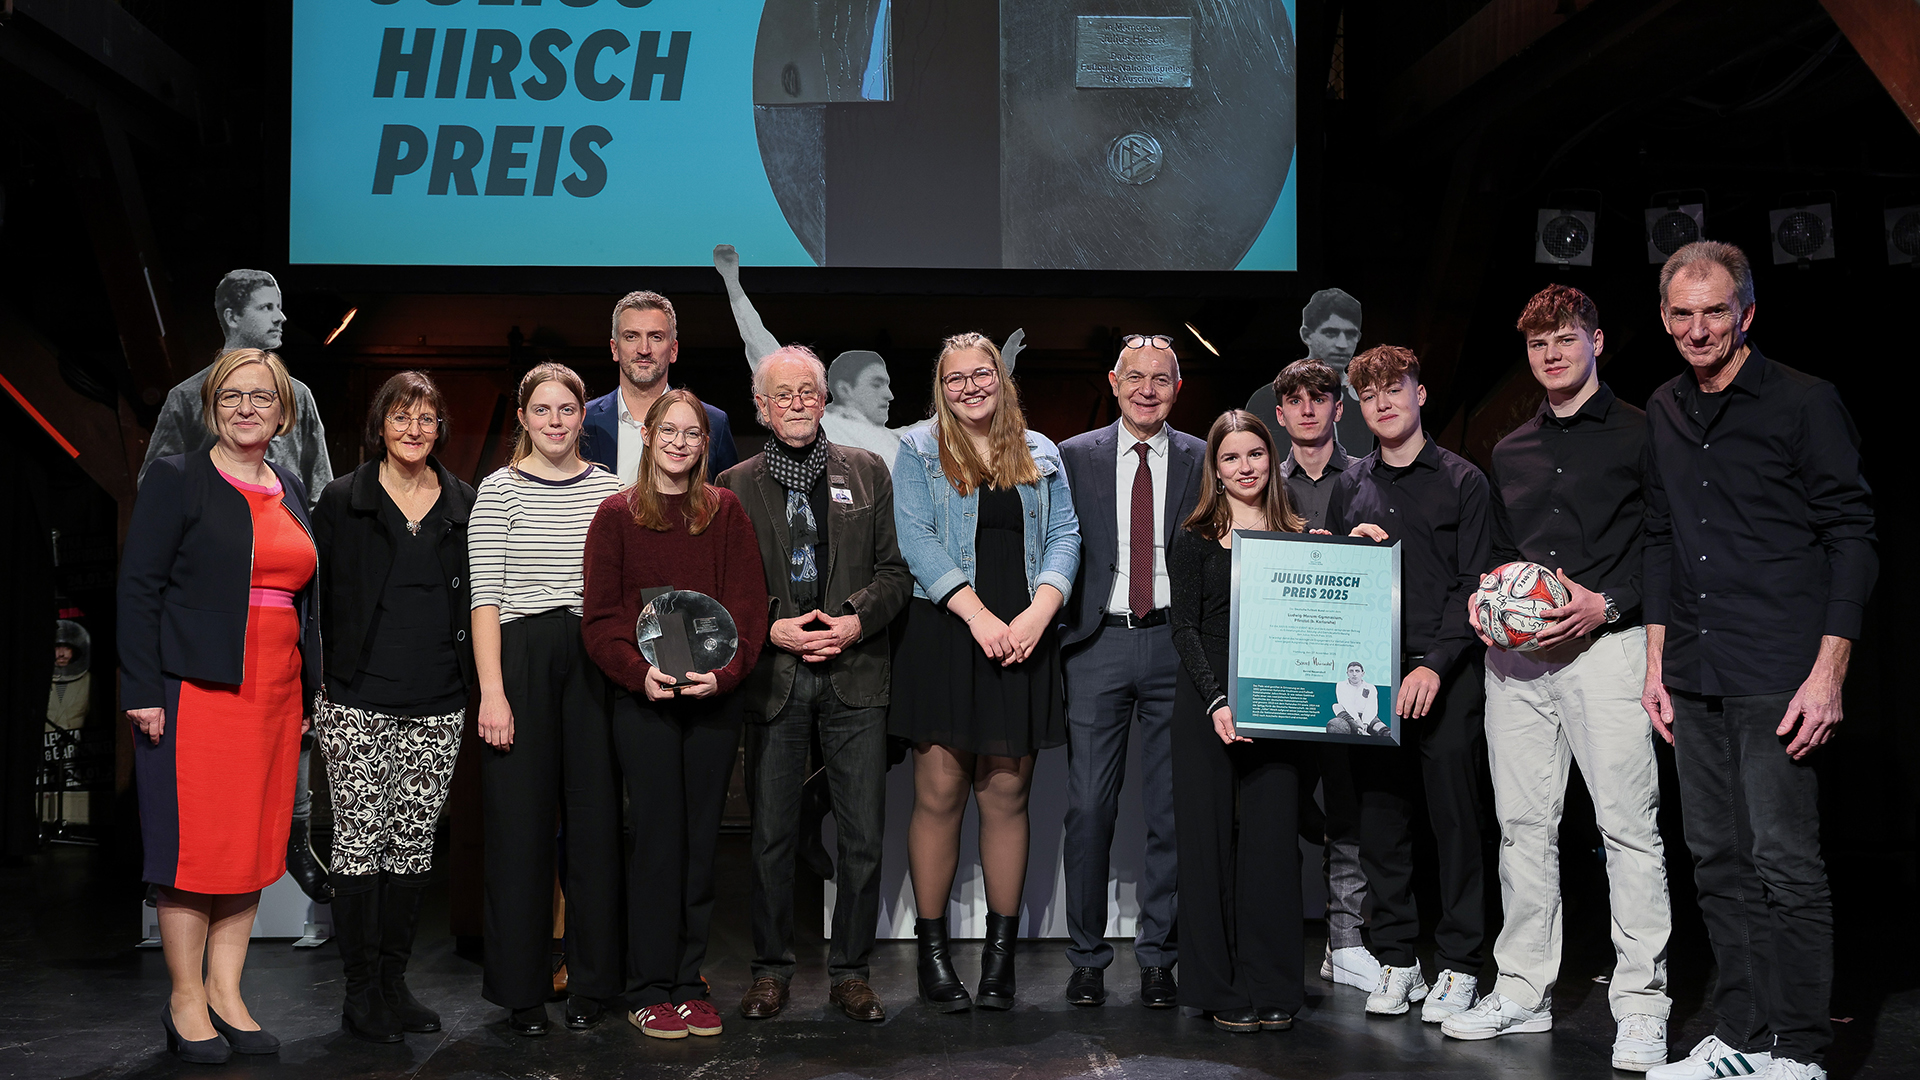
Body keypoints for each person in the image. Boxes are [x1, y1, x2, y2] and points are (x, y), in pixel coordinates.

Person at [1641, 242, 1876, 1080]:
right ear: (1665, 317)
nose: (1698, 328)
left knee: (1783, 862)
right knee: (1717, 859)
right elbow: (1663, 537)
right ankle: (1742, 1039)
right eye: (1682, 312)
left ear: (1746, 313)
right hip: (1696, 669)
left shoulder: (1806, 403)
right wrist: (1655, 662)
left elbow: (1852, 535)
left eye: (1714, 311)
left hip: (1781, 666)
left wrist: (1830, 672)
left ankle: (1800, 1051)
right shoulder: (1664, 407)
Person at [1443, 285, 1672, 1071]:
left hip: (1608, 647)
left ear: (1597, 342)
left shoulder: (1645, 434)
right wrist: (1486, 604)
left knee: (1626, 829)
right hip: (1519, 664)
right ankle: (1521, 989)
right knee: (1521, 829)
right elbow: (1502, 557)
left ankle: (1641, 1003)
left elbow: (1665, 545)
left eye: (1566, 339)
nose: (1552, 355)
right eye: (1539, 344)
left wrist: (1607, 605)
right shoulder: (1511, 449)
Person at [119, 348, 321, 1063]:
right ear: (211, 404)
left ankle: (228, 993)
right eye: (231, 396)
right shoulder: (178, 478)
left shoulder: (290, 484)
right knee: (192, 851)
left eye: (261, 398)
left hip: (273, 694)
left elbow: (304, 599)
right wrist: (142, 689)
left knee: (251, 847)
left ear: (283, 410)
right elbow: (139, 587)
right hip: (196, 694)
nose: (246, 409)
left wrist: (310, 690)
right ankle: (184, 1000)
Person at [717, 346, 914, 1022]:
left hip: (855, 671)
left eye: (809, 390)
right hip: (774, 675)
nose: (798, 402)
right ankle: (771, 972)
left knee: (860, 835)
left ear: (825, 398)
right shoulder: (732, 485)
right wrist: (771, 627)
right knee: (770, 834)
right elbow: (725, 587)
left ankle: (852, 973)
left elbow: (895, 573)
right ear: (762, 407)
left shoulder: (868, 472)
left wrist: (854, 623)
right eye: (783, 393)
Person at [889, 332, 1080, 1013]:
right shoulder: (915, 450)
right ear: (939, 389)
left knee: (1006, 798)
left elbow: (1065, 537)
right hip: (945, 632)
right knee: (938, 797)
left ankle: (1000, 962)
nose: (970, 387)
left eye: (982, 374)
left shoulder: (1043, 452)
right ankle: (933, 958)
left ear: (1002, 379)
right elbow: (914, 537)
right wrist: (978, 618)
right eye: (955, 379)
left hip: (1023, 638)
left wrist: (1036, 615)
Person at [139, 269, 335, 905]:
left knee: (263, 813)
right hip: (205, 639)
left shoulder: (298, 396)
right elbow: (151, 533)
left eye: (261, 401)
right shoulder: (184, 400)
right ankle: (189, 992)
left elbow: (319, 491)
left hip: (279, 643)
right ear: (231, 315)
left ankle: (295, 845)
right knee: (200, 829)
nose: (282, 319)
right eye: (268, 308)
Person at [582, 388, 767, 1040]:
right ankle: (649, 985)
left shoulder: (726, 512)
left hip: (713, 701)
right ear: (650, 437)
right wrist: (640, 675)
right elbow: (601, 619)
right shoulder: (617, 516)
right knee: (658, 842)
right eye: (671, 432)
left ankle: (690, 983)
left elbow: (748, 609)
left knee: (700, 844)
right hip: (648, 703)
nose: (682, 443)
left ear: (705, 442)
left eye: (693, 433)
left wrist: (723, 675)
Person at [1327, 344, 1492, 1022]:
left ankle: (1461, 965)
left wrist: (1433, 664)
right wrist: (1344, 551)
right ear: (1360, 407)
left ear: (1420, 394)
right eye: (1370, 395)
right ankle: (1397, 959)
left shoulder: (1463, 481)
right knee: (1381, 823)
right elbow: (1338, 586)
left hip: (1445, 674)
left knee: (1456, 824)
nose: (1384, 402)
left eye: (1395, 389)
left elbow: (1475, 585)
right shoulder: (1350, 485)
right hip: (1371, 682)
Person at [311, 372, 476, 1043]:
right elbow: (314, 600)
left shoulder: (462, 502)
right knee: (359, 844)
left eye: (427, 418)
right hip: (356, 699)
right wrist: (315, 682)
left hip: (438, 701)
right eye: (401, 417)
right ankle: (358, 993)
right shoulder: (343, 499)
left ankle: (393, 983)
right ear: (380, 424)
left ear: (441, 429)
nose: (414, 430)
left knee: (410, 847)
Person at [469, 363, 627, 1038]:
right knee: (520, 832)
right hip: (522, 660)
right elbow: (485, 599)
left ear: (582, 416)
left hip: (594, 659)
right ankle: (522, 993)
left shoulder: (614, 492)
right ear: (524, 418)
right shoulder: (499, 490)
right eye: (542, 410)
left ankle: (593, 984)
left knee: (595, 830)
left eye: (567, 409)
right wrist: (493, 695)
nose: (555, 421)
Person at [1054, 333, 1204, 1009]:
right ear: (1113, 383)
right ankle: (1086, 958)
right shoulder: (1073, 456)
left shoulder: (1204, 459)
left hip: (1177, 646)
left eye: (1162, 379)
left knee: (1171, 815)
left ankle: (1159, 959)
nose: (1148, 389)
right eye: (1135, 377)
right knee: (1088, 807)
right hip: (1098, 643)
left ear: (1178, 387)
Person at [1167, 409, 1310, 1034]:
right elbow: (1184, 627)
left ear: (1270, 461)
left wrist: (1360, 545)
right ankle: (1216, 987)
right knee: (1205, 847)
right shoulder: (1194, 535)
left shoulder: (1300, 534)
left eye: (1255, 454)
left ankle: (1273, 984)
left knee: (1273, 845)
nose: (1245, 467)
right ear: (1215, 468)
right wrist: (1217, 701)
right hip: (1208, 701)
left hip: (1280, 695)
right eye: (1231, 458)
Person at [1272, 357, 1380, 993]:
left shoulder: (1367, 479)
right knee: (1278, 809)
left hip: (1348, 672)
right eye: (1295, 399)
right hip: (1278, 670)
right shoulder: (1260, 478)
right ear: (1279, 411)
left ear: (1340, 409)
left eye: (1321, 398)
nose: (1308, 408)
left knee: (1348, 812)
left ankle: (1345, 942)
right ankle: (1276, 940)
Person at [580, 290, 739, 485]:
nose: (644, 349)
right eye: (631, 336)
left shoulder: (713, 422)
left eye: (655, 337)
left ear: (673, 350)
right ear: (614, 348)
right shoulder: (582, 421)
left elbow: (727, 505)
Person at [1247, 288, 1371, 456]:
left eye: (1350, 334)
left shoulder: (1368, 400)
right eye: (1331, 333)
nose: (1342, 344)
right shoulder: (1264, 399)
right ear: (1306, 334)